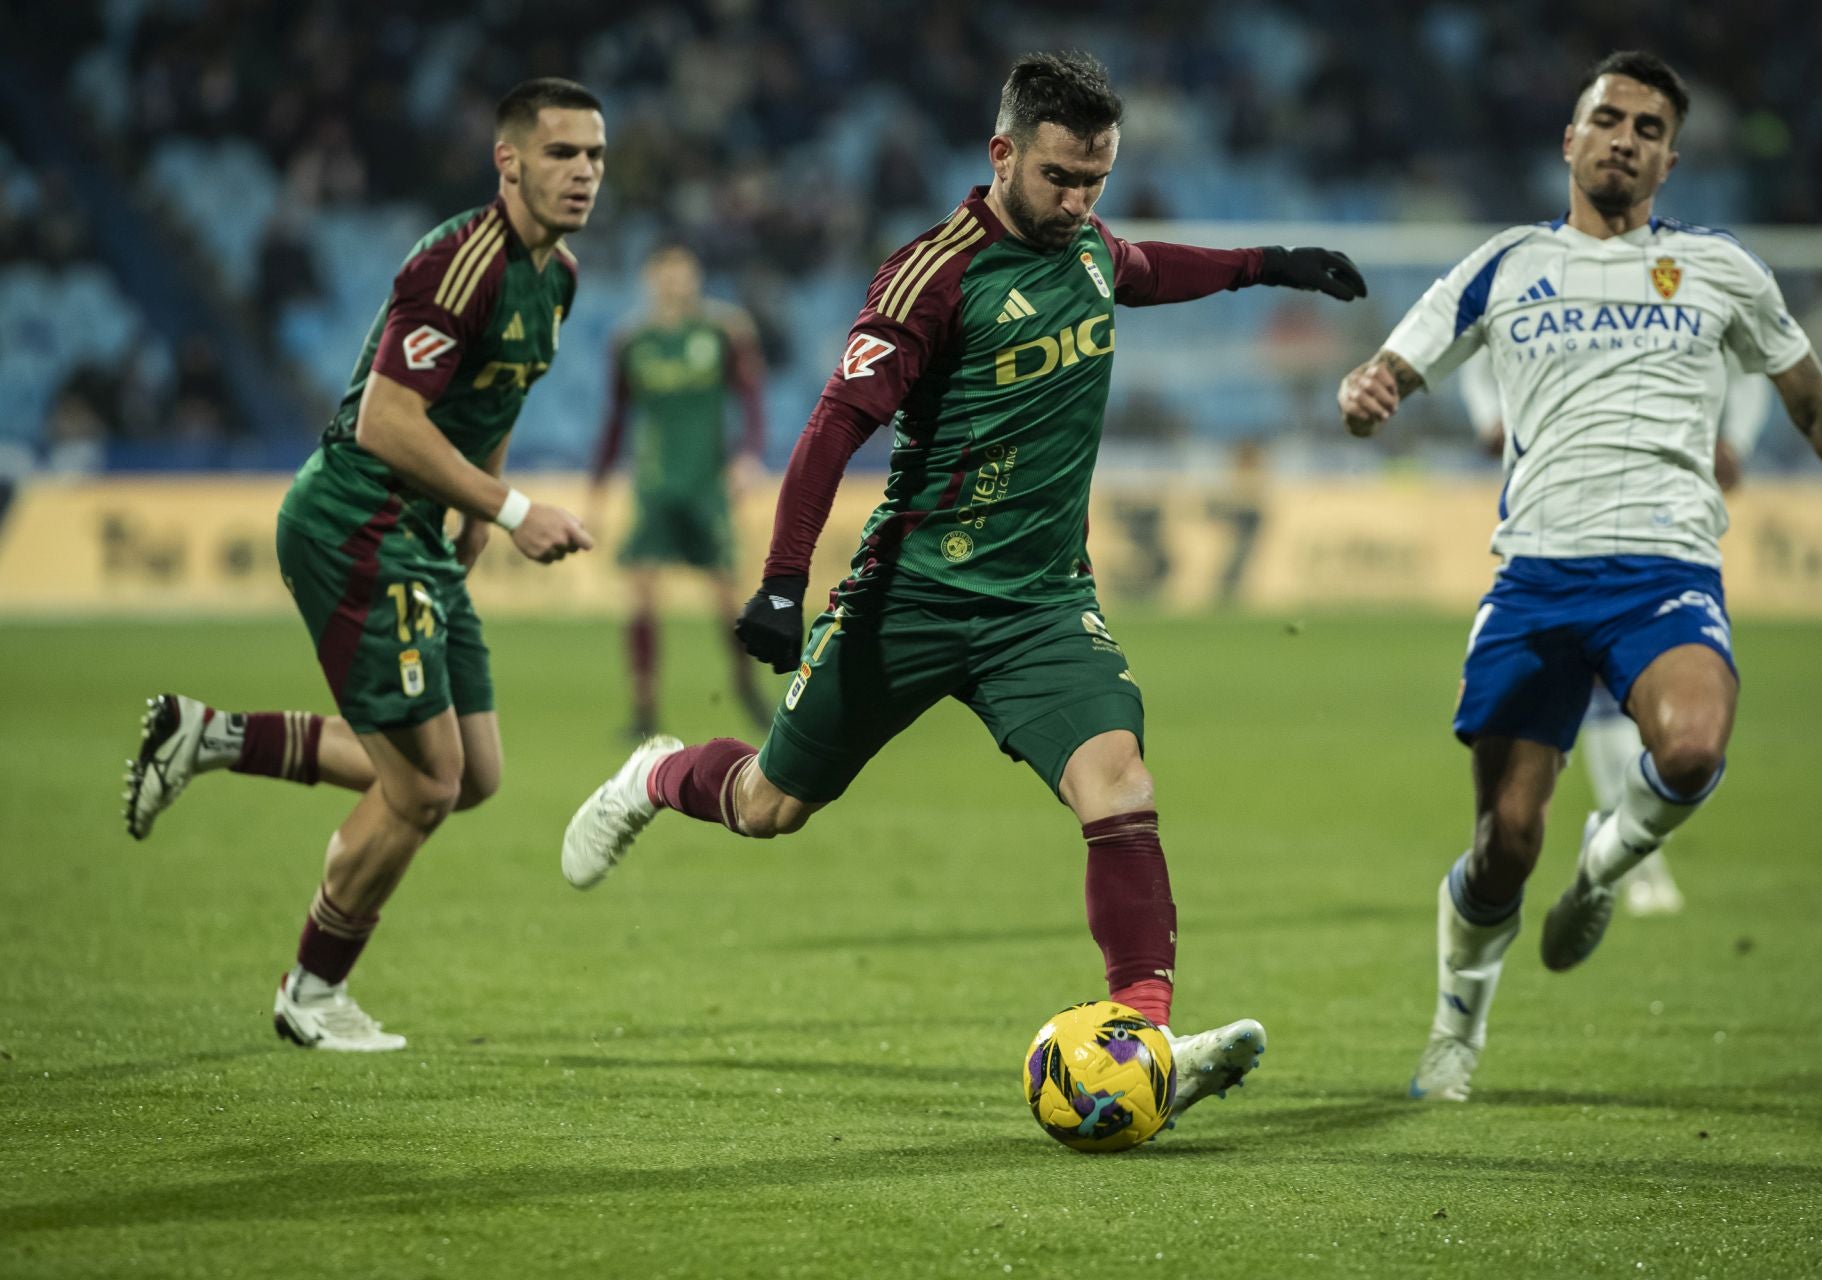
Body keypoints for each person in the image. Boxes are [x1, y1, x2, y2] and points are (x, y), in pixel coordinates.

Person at [562, 51, 1367, 1125]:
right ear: (1002, 155)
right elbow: (830, 428)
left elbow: (1147, 266)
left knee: (1119, 782)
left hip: (1039, 604)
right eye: (1059, 179)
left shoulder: (1084, 247)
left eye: (1097, 181)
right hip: (911, 599)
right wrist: (784, 582)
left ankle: (1146, 1035)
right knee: (771, 805)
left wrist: (1269, 262)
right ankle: (657, 775)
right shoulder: (933, 274)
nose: (1080, 203)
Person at [1337, 50, 1822, 1102]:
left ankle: (1607, 862)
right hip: (1535, 580)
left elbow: (1816, 403)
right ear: (1570, 140)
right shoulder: (1504, 263)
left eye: (1650, 128)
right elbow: (1392, 364)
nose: (1627, 138)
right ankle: (1455, 1028)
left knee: (1692, 746)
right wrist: (1370, 387)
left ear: (1671, 161)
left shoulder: (1722, 270)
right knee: (1505, 842)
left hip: (1664, 567)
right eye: (1610, 118)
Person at [122, 78, 605, 1051]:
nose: (584, 173)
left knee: (472, 773)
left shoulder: (559, 278)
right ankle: (311, 987)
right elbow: (388, 417)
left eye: (595, 156)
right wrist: (511, 512)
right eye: (562, 154)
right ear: (507, 160)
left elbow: (497, 396)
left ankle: (211, 736)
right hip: (359, 517)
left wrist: (476, 505)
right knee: (422, 785)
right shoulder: (458, 262)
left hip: (426, 529)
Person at [1457, 350, 1772, 917]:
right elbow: (1478, 354)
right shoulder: (1540, 275)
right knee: (1586, 694)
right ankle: (1635, 861)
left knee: (1684, 727)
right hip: (1557, 507)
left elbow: (1754, 359)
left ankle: (1627, 853)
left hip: (1660, 514)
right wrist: (1489, 417)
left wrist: (1737, 439)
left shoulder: (1692, 276)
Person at [587, 245, 772, 737]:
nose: (675, 283)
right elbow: (614, 419)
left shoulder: (724, 332)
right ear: (650, 279)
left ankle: (746, 687)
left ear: (696, 277)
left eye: (683, 274)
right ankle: (643, 711)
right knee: (642, 596)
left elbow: (752, 401)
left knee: (727, 599)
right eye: (666, 275)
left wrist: (749, 455)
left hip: (706, 484)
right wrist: (598, 487)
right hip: (654, 486)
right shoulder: (632, 341)